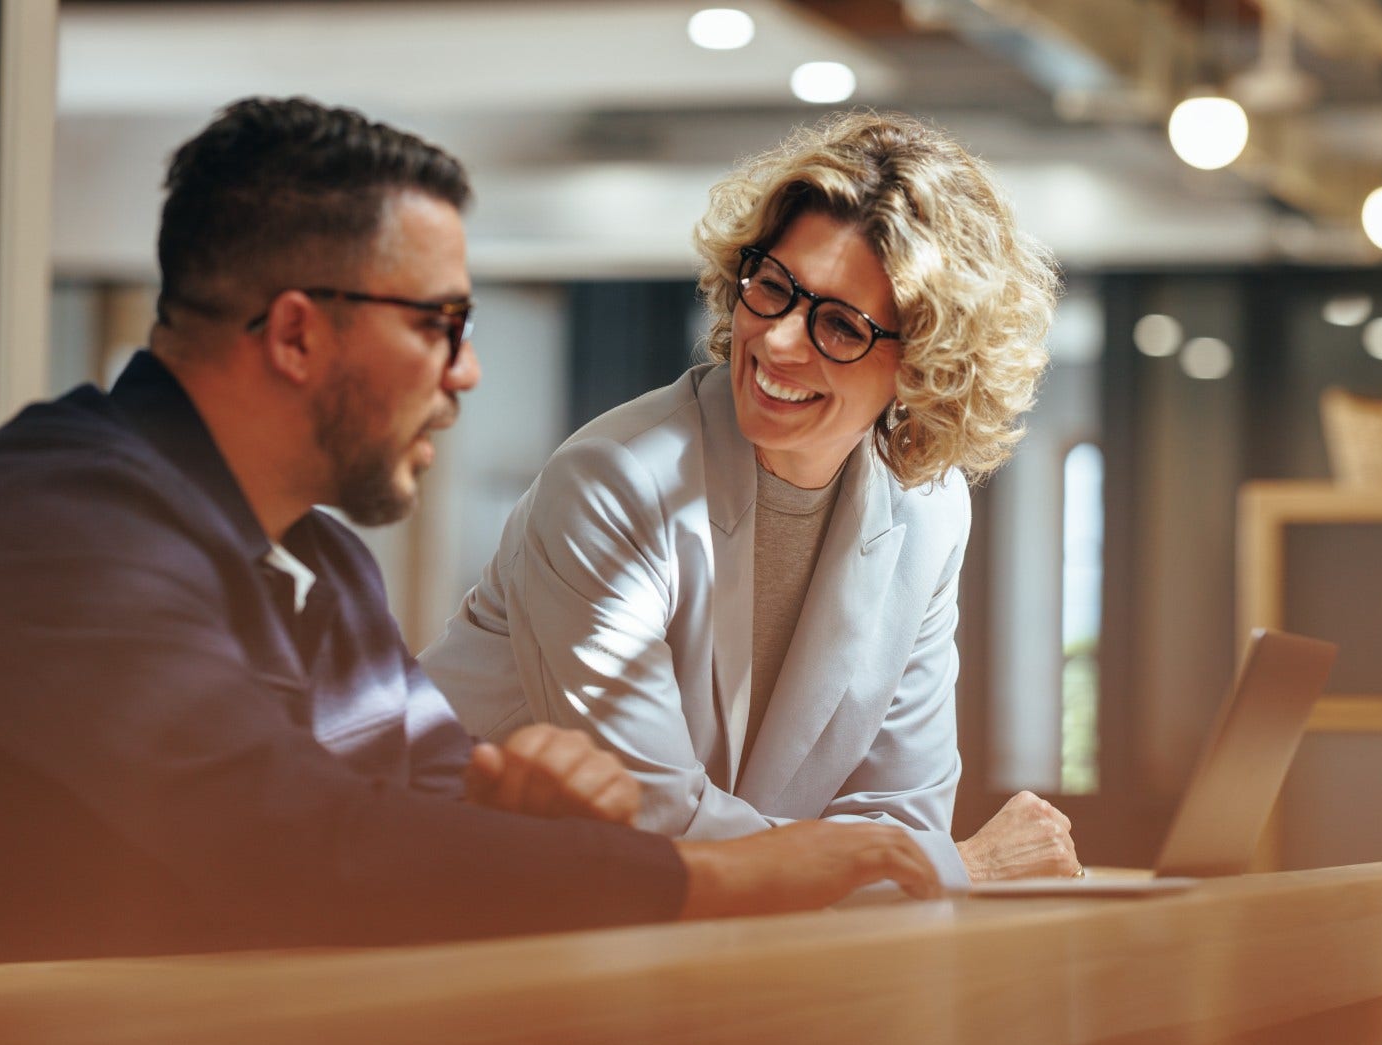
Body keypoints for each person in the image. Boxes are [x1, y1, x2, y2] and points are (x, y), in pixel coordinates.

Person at [0, 97, 938, 971]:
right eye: (439, 324)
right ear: (301, 332)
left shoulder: (324, 562)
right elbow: (305, 855)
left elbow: (419, 808)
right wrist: (733, 872)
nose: (466, 372)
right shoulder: (53, 534)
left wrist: (520, 814)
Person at [421, 111, 1078, 887]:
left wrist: (908, 860)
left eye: (838, 324)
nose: (777, 340)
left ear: (925, 366)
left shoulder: (927, 509)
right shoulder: (614, 480)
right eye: (771, 287)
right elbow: (658, 821)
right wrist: (956, 866)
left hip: (686, 933)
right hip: (450, 905)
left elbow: (899, 807)